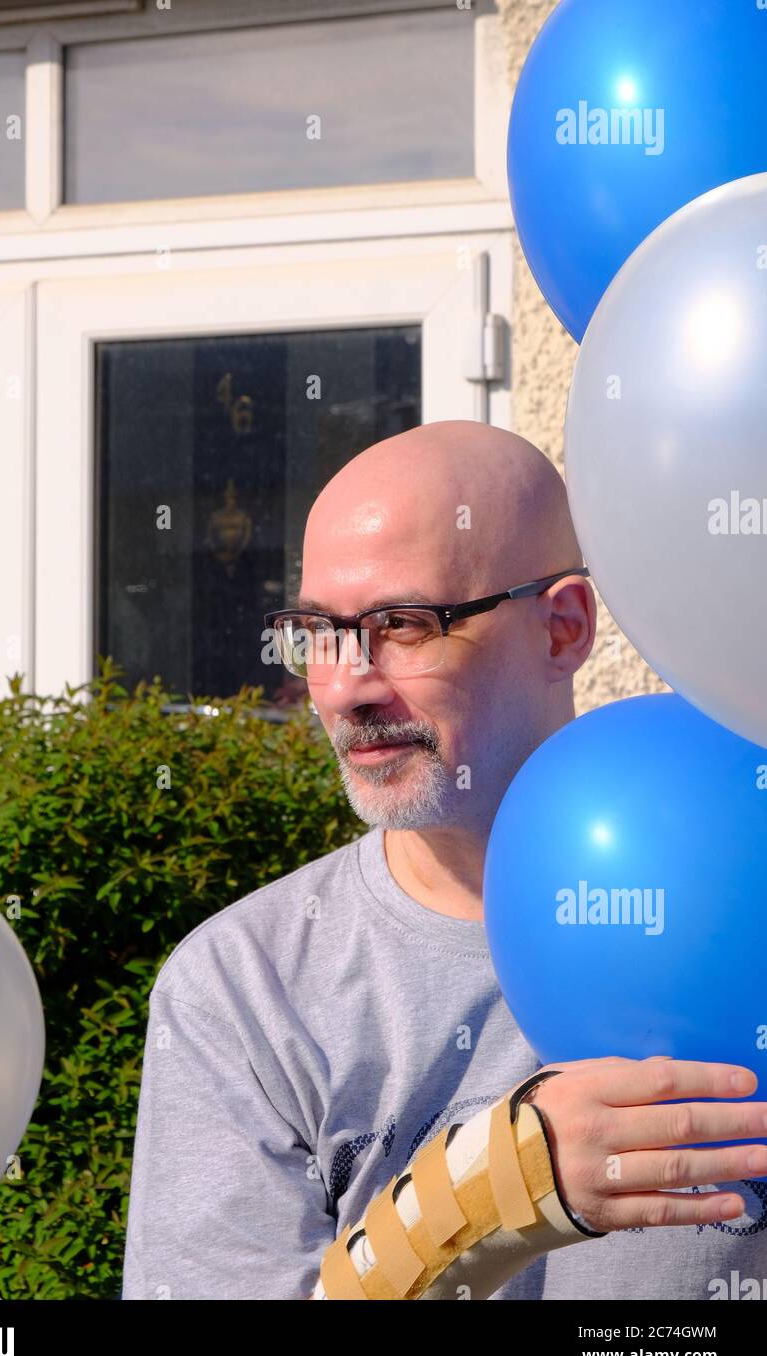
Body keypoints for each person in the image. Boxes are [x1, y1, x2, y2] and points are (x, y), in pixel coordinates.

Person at [122, 420, 767, 1300]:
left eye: (403, 625)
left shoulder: (744, 888)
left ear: (564, 627)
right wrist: (482, 1202)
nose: (346, 685)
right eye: (315, 631)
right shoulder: (244, 990)